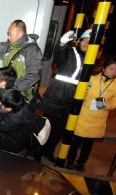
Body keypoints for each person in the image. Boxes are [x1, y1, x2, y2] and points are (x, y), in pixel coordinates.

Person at [40, 29, 91, 162]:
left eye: (90, 42)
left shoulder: (90, 59)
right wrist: (62, 43)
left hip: (71, 100)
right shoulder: (70, 52)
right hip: (56, 96)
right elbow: (59, 56)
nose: (86, 43)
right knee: (46, 128)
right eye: (84, 40)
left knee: (59, 131)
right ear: (79, 41)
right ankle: (38, 151)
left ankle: (49, 151)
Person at [66, 56, 116, 171]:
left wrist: (102, 104)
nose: (114, 72)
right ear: (104, 68)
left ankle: (81, 163)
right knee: (76, 142)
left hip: (98, 117)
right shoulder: (91, 79)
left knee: (88, 145)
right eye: (111, 68)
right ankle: (70, 160)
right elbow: (80, 93)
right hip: (83, 115)